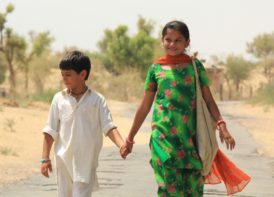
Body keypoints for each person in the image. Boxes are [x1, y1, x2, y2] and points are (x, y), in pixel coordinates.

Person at [120, 21, 250, 196]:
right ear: (162, 40)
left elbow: (209, 101)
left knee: (193, 191)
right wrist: (130, 139)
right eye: (168, 39)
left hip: (192, 140)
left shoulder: (195, 67)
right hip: (163, 137)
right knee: (168, 188)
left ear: (187, 43)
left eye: (178, 40)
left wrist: (222, 125)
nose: (172, 44)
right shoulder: (155, 69)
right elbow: (144, 106)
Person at [41, 51, 128, 197]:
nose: (64, 78)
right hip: (63, 161)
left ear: (82, 74)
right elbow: (50, 131)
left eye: (68, 74)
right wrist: (45, 159)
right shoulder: (58, 99)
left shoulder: (97, 100)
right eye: (62, 74)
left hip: (86, 162)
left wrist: (121, 145)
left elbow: (109, 126)